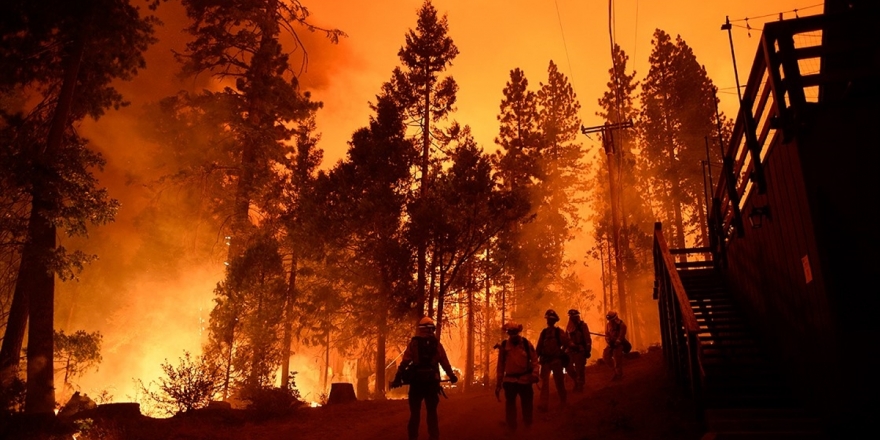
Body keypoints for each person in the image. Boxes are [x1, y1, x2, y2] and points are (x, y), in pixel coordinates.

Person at [392, 317, 458, 440]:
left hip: (416, 383)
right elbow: (444, 362)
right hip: (431, 383)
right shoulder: (436, 344)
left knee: (415, 414)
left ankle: (413, 437)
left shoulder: (414, 343)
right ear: (431, 329)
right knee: (432, 413)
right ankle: (433, 437)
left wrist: (397, 377)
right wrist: (452, 376)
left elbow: (405, 362)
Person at [495, 321, 539, 433]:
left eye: (515, 332)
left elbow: (534, 360)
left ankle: (528, 426)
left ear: (518, 332)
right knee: (510, 404)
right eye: (510, 332)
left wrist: (535, 374)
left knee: (527, 403)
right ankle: (511, 427)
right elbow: (500, 365)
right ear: (508, 333)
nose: (513, 334)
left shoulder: (526, 344)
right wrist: (498, 382)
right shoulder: (504, 346)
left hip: (525, 379)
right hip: (509, 380)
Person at [535, 309, 570, 411]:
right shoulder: (544, 333)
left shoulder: (559, 332)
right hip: (546, 361)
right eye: (547, 319)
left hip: (556, 361)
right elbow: (539, 347)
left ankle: (563, 401)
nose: (548, 321)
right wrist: (534, 361)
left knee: (559, 382)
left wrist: (562, 353)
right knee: (544, 383)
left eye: (550, 319)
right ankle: (543, 404)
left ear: (554, 321)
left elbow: (566, 343)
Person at [565, 309, 592, 393]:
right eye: (571, 316)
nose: (572, 318)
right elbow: (566, 338)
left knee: (579, 368)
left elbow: (587, 339)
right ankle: (576, 380)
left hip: (580, 349)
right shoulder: (569, 327)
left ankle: (580, 385)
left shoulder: (583, 325)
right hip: (570, 350)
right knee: (568, 367)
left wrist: (588, 350)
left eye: (574, 316)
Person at [603, 310, 628, 381]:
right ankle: (615, 372)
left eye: (611, 320)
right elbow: (606, 335)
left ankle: (619, 375)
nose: (610, 321)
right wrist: (609, 341)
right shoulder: (608, 325)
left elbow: (621, 336)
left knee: (617, 360)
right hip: (611, 344)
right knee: (605, 357)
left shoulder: (622, 325)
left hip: (618, 345)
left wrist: (616, 342)